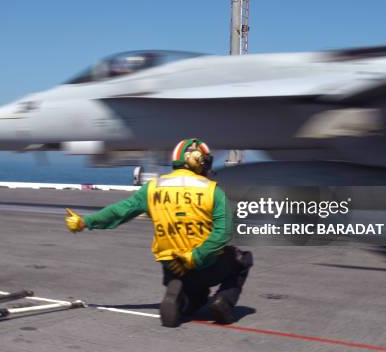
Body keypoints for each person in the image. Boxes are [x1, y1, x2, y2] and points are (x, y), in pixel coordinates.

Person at [65, 138, 253, 327]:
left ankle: (181, 299)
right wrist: (195, 257)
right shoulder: (212, 191)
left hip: (172, 266)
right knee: (243, 259)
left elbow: (118, 212)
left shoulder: (153, 188)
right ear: (196, 159)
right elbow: (223, 232)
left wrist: (85, 222)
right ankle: (223, 301)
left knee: (197, 296)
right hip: (204, 265)